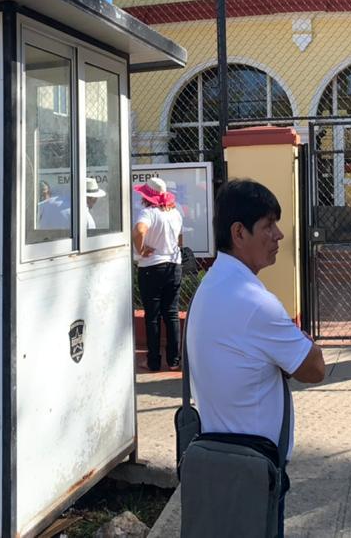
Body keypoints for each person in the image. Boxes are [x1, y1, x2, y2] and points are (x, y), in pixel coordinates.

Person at [186, 179, 327, 538]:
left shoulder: (212, 284)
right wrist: (302, 343)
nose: (279, 235)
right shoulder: (253, 302)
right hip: (252, 469)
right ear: (239, 232)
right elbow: (314, 368)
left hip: (223, 460)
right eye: (268, 225)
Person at [134, 177, 185, 373]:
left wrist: (140, 249)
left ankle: (153, 361)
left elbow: (139, 230)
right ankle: (174, 361)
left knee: (152, 316)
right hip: (174, 266)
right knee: (171, 314)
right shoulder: (175, 213)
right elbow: (180, 239)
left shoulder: (148, 213)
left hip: (151, 267)